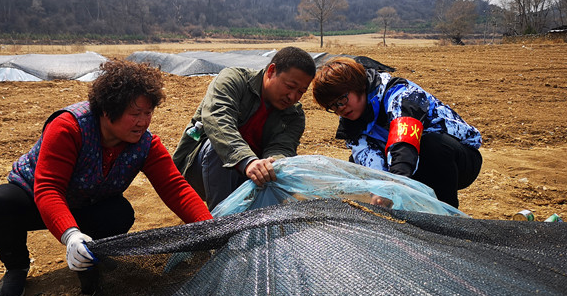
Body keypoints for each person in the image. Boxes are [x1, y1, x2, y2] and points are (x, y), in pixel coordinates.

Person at [0, 59, 213, 296]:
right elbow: (49, 188)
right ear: (107, 110)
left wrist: (211, 230)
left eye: (148, 113)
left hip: (85, 205)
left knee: (119, 213)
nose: (143, 121)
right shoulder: (69, 128)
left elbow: (176, 188)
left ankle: (91, 256)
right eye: (134, 114)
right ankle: (16, 266)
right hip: (34, 200)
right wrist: (70, 235)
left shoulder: (145, 144)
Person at [312, 57, 482, 208]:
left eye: (342, 100)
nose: (340, 109)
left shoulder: (401, 94)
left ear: (360, 86)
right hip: (412, 163)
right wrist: (379, 193)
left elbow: (404, 141)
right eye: (332, 107)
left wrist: (394, 188)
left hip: (459, 161)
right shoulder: (351, 125)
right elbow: (368, 160)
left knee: (431, 145)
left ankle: (445, 217)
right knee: (355, 164)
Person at [173, 46, 316, 210]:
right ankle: (221, 225)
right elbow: (218, 119)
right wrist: (247, 161)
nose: (293, 97)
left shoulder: (294, 115)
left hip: (252, 177)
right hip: (201, 171)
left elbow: (282, 146)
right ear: (271, 71)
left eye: (301, 92)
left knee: (279, 171)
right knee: (217, 147)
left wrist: (273, 163)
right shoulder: (234, 80)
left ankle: (258, 225)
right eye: (290, 86)